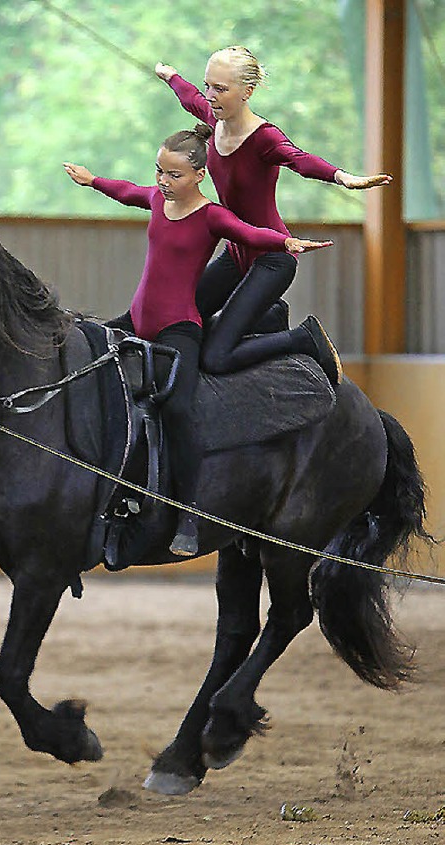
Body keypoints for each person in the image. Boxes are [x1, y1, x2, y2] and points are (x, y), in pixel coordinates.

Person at [63, 125, 332, 557]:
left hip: (178, 328)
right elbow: (126, 191)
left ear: (199, 176)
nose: (163, 183)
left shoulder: (210, 216)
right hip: (135, 320)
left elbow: (250, 234)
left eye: (174, 175)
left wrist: (286, 242)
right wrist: (92, 179)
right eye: (159, 172)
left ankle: (187, 512)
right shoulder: (155, 200)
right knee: (80, 353)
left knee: (180, 408)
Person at [155, 47, 392, 374]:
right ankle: (268, 317)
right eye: (208, 85)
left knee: (216, 358)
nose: (210, 96)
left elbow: (300, 159)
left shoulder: (263, 137)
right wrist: (170, 76)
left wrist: (343, 177)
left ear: (247, 92)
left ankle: (303, 339)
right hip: (236, 254)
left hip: (272, 258)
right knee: (175, 318)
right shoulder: (213, 118)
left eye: (220, 89)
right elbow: (190, 97)